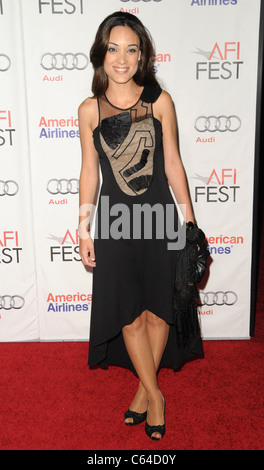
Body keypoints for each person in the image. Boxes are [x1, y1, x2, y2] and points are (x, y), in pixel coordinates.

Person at [78, 11, 206, 441]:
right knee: (129, 317)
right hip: (115, 223)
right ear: (101, 54)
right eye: (113, 48)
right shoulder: (89, 110)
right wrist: (83, 225)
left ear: (142, 56)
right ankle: (156, 395)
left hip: (160, 220)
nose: (122, 58)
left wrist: (189, 218)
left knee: (158, 311)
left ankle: (142, 393)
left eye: (131, 49)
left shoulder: (159, 102)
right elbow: (89, 172)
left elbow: (172, 163)